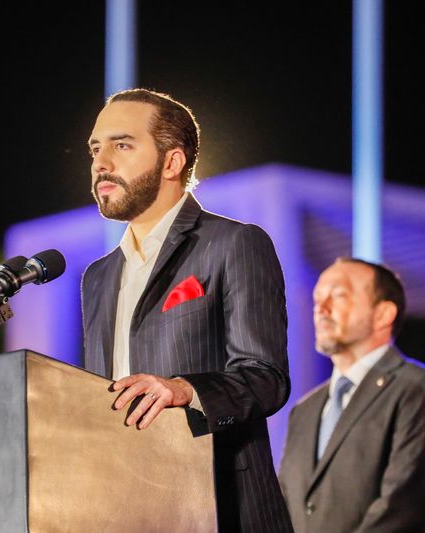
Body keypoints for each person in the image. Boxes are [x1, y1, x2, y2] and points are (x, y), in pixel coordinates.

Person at [81, 88, 293, 532]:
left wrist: (183, 389)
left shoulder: (235, 243)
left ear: (173, 162)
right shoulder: (97, 277)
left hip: (221, 505)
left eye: (122, 145)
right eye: (96, 148)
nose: (102, 162)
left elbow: (265, 378)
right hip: (124, 507)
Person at [278, 258, 425, 532]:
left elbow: (404, 510)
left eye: (338, 295)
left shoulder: (419, 389)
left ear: (383, 314)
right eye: (317, 298)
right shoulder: (304, 410)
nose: (321, 308)